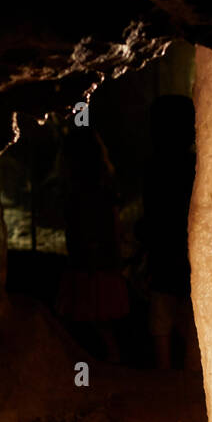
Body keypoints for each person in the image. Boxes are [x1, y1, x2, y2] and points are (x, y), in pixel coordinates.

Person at [56, 126, 129, 363]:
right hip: (100, 263)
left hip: (89, 265)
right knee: (101, 325)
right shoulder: (103, 187)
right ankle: (109, 367)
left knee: (89, 322)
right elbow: (114, 225)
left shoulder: (79, 192)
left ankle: (101, 369)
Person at [140, 95, 199, 370]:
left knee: (161, 318)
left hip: (163, 254)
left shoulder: (153, 166)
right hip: (191, 255)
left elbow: (151, 215)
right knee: (192, 314)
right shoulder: (196, 166)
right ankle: (190, 374)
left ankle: (163, 375)